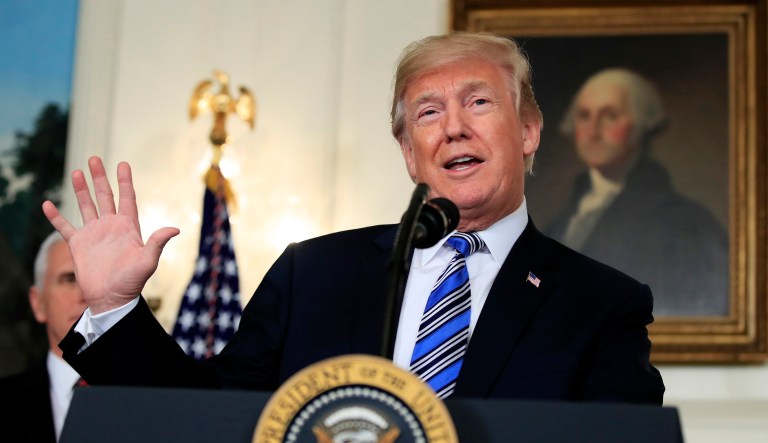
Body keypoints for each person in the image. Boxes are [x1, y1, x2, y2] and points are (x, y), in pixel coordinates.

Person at [43, 33, 664, 403]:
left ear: (528, 130)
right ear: (406, 151)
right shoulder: (312, 274)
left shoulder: (601, 304)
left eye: (478, 102)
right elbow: (208, 418)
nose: (453, 127)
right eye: (427, 113)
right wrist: (117, 310)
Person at [547, 68, 729, 316]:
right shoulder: (564, 219)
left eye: (610, 115)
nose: (593, 129)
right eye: (584, 115)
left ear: (642, 125)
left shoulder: (689, 225)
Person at [0, 232, 87, 442]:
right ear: (38, 302)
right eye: (69, 279)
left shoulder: (155, 394)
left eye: (97, 277)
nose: (86, 292)